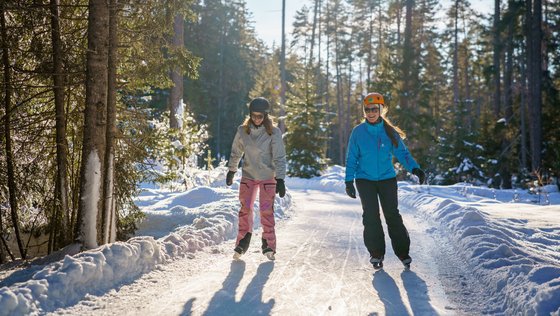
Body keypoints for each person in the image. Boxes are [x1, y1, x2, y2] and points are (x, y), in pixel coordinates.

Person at [344, 92, 426, 270]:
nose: (371, 112)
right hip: (365, 179)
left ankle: (403, 253)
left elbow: (403, 154)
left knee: (392, 215)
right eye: (367, 109)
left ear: (381, 110)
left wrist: (415, 168)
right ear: (364, 111)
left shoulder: (389, 132)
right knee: (371, 216)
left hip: (387, 179)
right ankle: (376, 253)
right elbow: (351, 157)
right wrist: (348, 181)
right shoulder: (358, 132)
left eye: (374, 109)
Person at [226, 97, 287, 261]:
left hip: (268, 177)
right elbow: (236, 151)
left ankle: (268, 244)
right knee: (245, 209)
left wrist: (280, 179)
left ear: (266, 116)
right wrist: (232, 170)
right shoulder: (243, 131)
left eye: (260, 116)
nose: (257, 119)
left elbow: (279, 157)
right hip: (248, 176)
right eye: (254, 115)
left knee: (267, 211)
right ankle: (242, 242)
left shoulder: (273, 132)